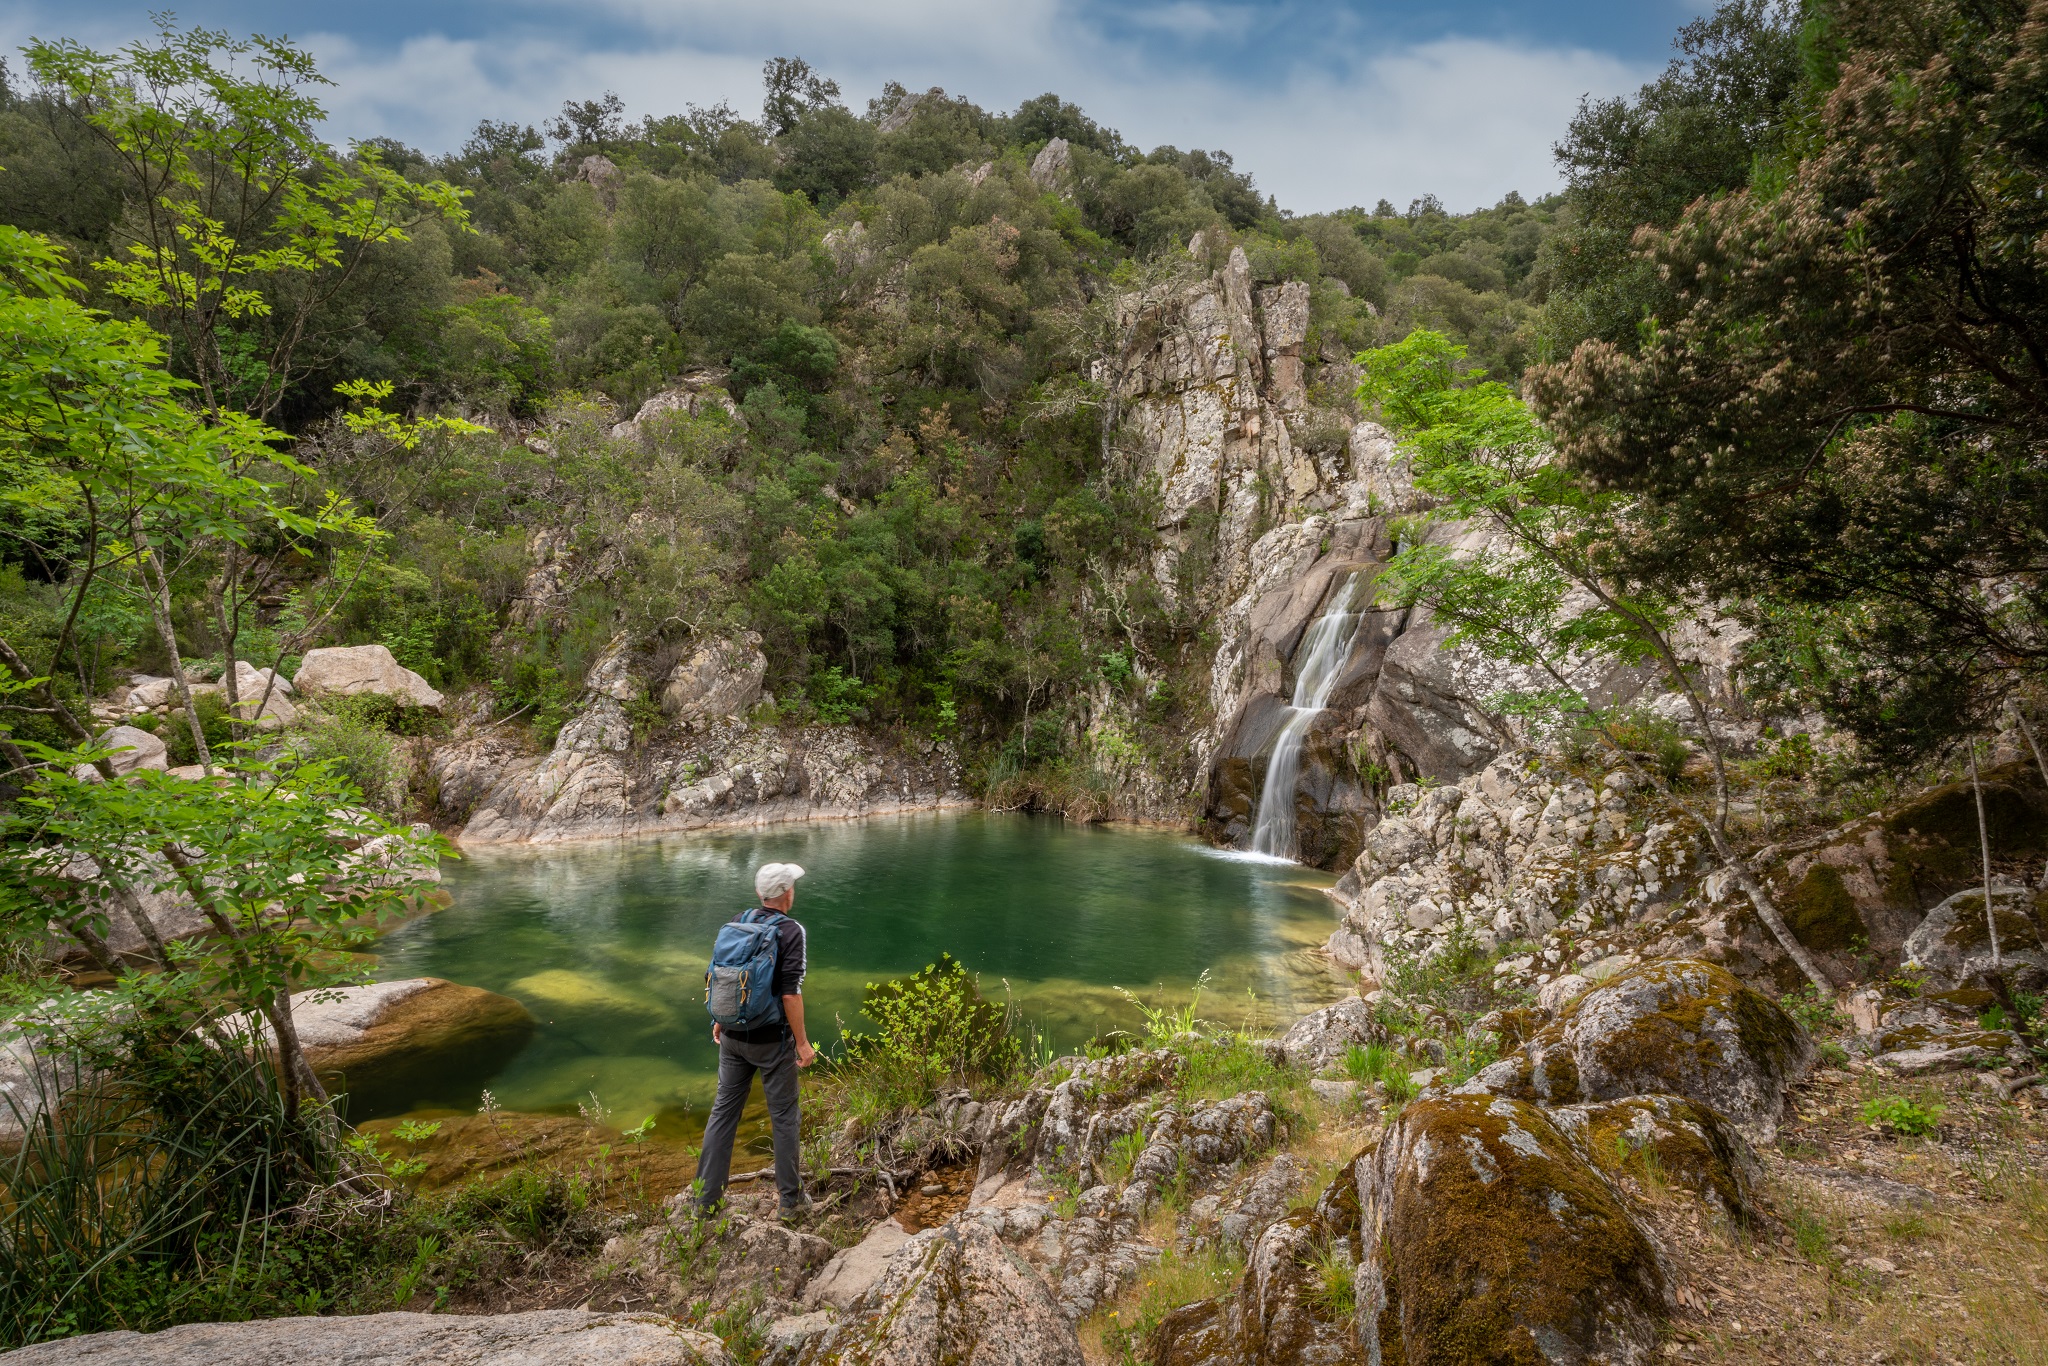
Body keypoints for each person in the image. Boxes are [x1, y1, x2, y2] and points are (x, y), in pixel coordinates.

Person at [693, 861, 817, 1221]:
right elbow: (790, 993)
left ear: (760, 893)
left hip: (732, 1036)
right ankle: (791, 1202)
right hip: (772, 1041)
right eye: (792, 886)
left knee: (722, 1114)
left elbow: (722, 975)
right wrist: (802, 1043)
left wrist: (720, 1019)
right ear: (786, 894)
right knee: (784, 1117)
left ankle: (705, 1203)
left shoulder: (738, 921)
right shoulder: (791, 930)